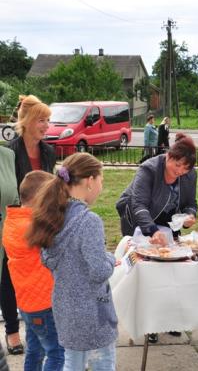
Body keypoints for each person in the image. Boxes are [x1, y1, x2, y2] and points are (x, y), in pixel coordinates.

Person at [25, 152, 117, 371]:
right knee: (103, 363)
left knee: (72, 364)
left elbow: (48, 259)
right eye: (101, 180)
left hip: (66, 309)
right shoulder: (89, 221)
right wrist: (111, 258)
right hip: (93, 313)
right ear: (89, 181)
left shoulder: (52, 214)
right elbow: (98, 271)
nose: (101, 186)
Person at [3, 95, 55, 355]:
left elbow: (51, 186)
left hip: (41, 220)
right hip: (16, 220)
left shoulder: (49, 151)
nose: (46, 126)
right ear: (28, 121)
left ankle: (36, 324)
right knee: (9, 275)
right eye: (41, 120)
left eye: (48, 120)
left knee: (38, 275)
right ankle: (12, 332)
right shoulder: (10, 151)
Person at [3, 171, 65, 370]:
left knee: (34, 350)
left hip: (27, 303)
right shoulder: (33, 227)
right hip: (44, 304)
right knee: (57, 353)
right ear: (41, 198)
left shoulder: (13, 221)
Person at [117, 133, 197, 241]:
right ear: (168, 156)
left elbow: (190, 203)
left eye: (186, 168)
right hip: (138, 221)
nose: (180, 171)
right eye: (177, 165)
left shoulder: (190, 175)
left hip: (167, 221)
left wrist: (189, 215)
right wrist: (152, 230)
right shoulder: (148, 169)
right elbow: (139, 204)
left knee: (169, 252)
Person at [0, 147, 20, 356]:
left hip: (6, 236)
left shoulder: (7, 155)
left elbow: (14, 201)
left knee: (6, 284)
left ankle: (12, 331)